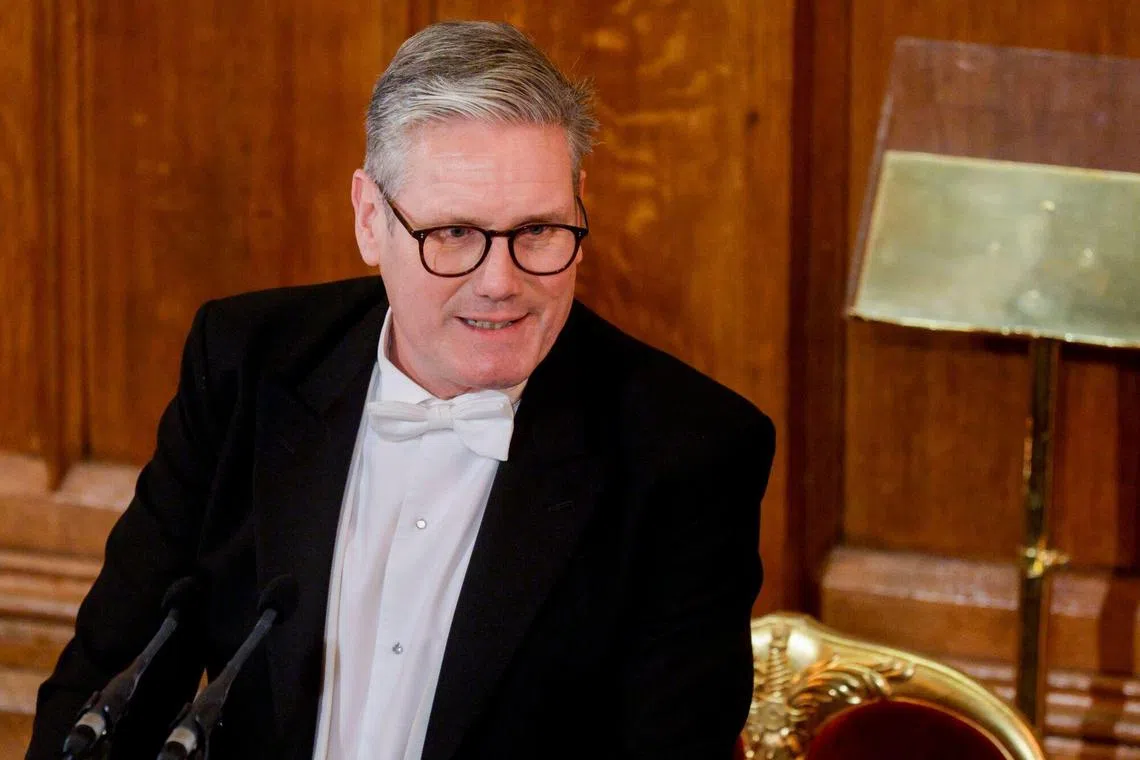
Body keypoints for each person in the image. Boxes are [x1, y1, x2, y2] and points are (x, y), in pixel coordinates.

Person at [27, 20, 775, 760]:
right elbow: (104, 695)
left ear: (580, 202)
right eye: (453, 234)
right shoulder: (246, 365)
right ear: (370, 218)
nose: (501, 284)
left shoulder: (690, 453)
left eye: (539, 231)